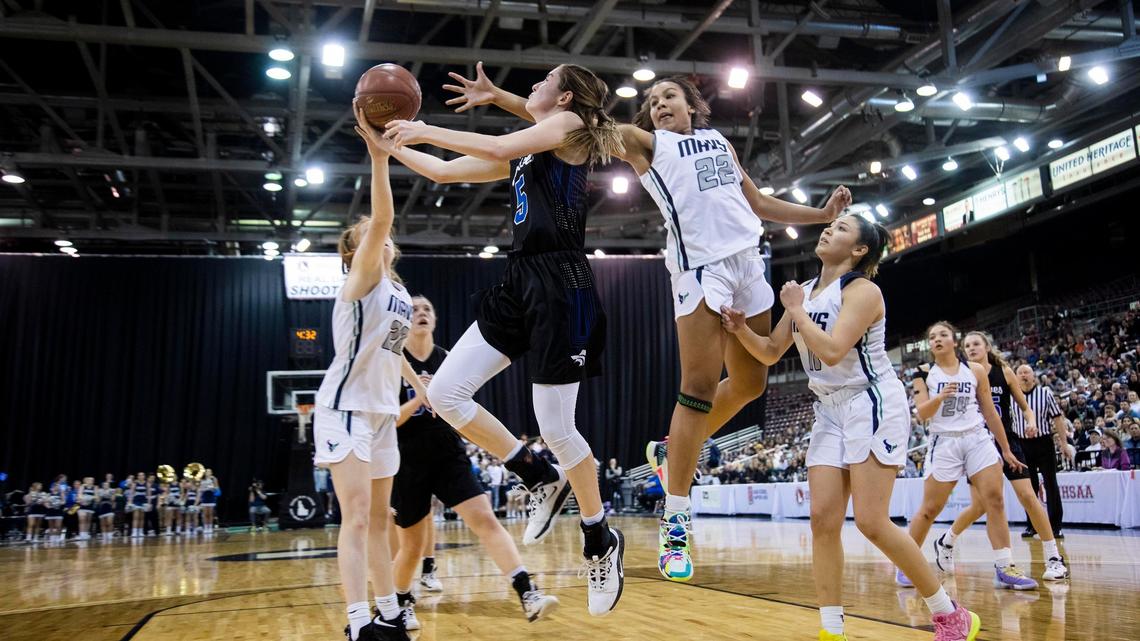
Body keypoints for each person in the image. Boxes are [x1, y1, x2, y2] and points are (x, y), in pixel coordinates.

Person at [444, 65, 849, 582]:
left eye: (670, 96)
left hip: (749, 260)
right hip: (701, 269)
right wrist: (500, 96)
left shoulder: (720, 142)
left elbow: (759, 202)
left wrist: (820, 213)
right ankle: (675, 525)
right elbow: (567, 123)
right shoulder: (644, 143)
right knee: (698, 388)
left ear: (692, 105)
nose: (660, 104)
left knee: (751, 383)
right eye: (653, 99)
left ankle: (669, 448)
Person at [381, 63, 625, 616]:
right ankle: (537, 476)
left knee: (557, 427)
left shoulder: (565, 125)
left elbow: (500, 136)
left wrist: (421, 128)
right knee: (444, 394)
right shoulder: (526, 154)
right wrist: (386, 146)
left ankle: (598, 537)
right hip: (520, 282)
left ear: (563, 95)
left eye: (542, 80)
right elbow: (444, 175)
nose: (532, 87)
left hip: (563, 283)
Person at [721, 215, 981, 641]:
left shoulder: (863, 291)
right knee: (822, 520)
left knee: (871, 521)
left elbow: (833, 347)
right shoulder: (803, 293)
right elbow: (770, 353)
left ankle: (950, 614)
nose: (829, 230)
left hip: (871, 400)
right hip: (829, 408)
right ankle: (831, 630)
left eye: (842, 229)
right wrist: (740, 329)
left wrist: (795, 311)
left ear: (859, 250)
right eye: (831, 226)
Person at [311, 104, 429, 641]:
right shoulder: (360, 283)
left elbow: (395, 349)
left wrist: (420, 383)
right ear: (354, 255)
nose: (375, 236)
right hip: (343, 408)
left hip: (383, 413)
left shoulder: (400, 295)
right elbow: (381, 220)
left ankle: (390, 613)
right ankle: (358, 622)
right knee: (357, 518)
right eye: (363, 237)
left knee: (382, 521)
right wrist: (380, 157)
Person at [390, 294, 559, 629]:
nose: (421, 313)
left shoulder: (448, 361)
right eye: (415, 310)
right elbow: (387, 420)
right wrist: (421, 396)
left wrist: (439, 394)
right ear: (404, 320)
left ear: (435, 320)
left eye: (428, 309)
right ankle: (400, 603)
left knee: (485, 519)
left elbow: (463, 412)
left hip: (448, 454)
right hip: (407, 457)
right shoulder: (394, 363)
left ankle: (527, 592)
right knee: (410, 545)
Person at [899, 321, 1038, 592]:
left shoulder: (974, 370)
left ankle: (1004, 566)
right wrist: (940, 397)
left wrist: (1006, 449)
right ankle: (906, 565)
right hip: (944, 442)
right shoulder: (923, 373)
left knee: (994, 500)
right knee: (929, 510)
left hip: (977, 438)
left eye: (942, 335)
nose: (937, 339)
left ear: (954, 340)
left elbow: (989, 412)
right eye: (932, 337)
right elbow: (922, 414)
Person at [937, 332, 1069, 582]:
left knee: (1029, 496)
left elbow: (1026, 407)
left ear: (987, 346)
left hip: (1007, 441)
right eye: (967, 345)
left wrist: (1031, 422)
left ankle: (1053, 558)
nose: (971, 348)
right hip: (976, 445)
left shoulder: (1004, 372)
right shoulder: (963, 376)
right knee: (981, 506)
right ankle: (947, 541)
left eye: (976, 343)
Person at [125, 472, 150, 539]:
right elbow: (131, 494)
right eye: (139, 475)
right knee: (136, 517)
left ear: (144, 476)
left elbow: (148, 494)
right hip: (136, 501)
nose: (141, 476)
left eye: (142, 475)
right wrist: (129, 502)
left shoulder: (147, 484)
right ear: (138, 476)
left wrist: (149, 503)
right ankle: (134, 532)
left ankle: (141, 531)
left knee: (142, 517)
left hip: (143, 501)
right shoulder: (135, 484)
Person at [200, 469, 220, 535]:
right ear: (205, 473)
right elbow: (201, 489)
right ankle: (205, 527)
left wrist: (213, 487)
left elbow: (217, 488)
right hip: (205, 498)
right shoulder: (202, 480)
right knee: (205, 514)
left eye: (209, 472)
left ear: (211, 473)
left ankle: (210, 527)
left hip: (211, 498)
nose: (208, 473)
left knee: (210, 514)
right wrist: (205, 488)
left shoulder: (214, 479)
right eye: (207, 472)